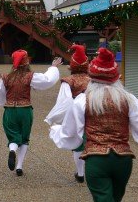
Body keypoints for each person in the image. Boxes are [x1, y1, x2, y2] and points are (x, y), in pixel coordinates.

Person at [50, 48, 138, 201]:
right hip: (123, 161)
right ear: (116, 78)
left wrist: (56, 130)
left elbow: (70, 132)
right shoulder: (127, 98)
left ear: (92, 78)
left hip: (96, 160)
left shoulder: (83, 100)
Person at [0, 50, 62, 176]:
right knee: (24, 138)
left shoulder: (6, 77)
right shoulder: (30, 76)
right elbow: (47, 80)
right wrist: (53, 67)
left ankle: (12, 150)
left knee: (13, 136)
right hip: (25, 110)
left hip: (10, 111)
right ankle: (19, 167)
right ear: (27, 61)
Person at [44, 44, 91, 183]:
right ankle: (91, 170)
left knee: (78, 143)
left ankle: (81, 173)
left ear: (72, 65)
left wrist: (55, 119)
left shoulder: (68, 81)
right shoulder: (93, 80)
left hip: (77, 113)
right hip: (93, 113)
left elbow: (64, 102)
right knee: (93, 140)